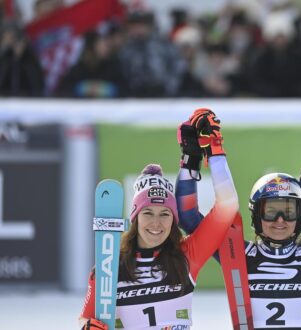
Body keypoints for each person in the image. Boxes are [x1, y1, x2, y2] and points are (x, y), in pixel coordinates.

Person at [176, 106, 301, 329]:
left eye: (288, 211)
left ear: (300, 217)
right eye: (270, 212)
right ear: (256, 216)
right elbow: (188, 218)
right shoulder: (235, 252)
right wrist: (190, 159)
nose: (280, 220)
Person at [79, 108, 238, 329]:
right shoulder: (109, 266)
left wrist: (214, 152)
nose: (156, 223)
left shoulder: (186, 256)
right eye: (148, 213)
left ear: (174, 219)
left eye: (165, 214)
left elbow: (227, 206)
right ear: (135, 218)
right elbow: (86, 319)